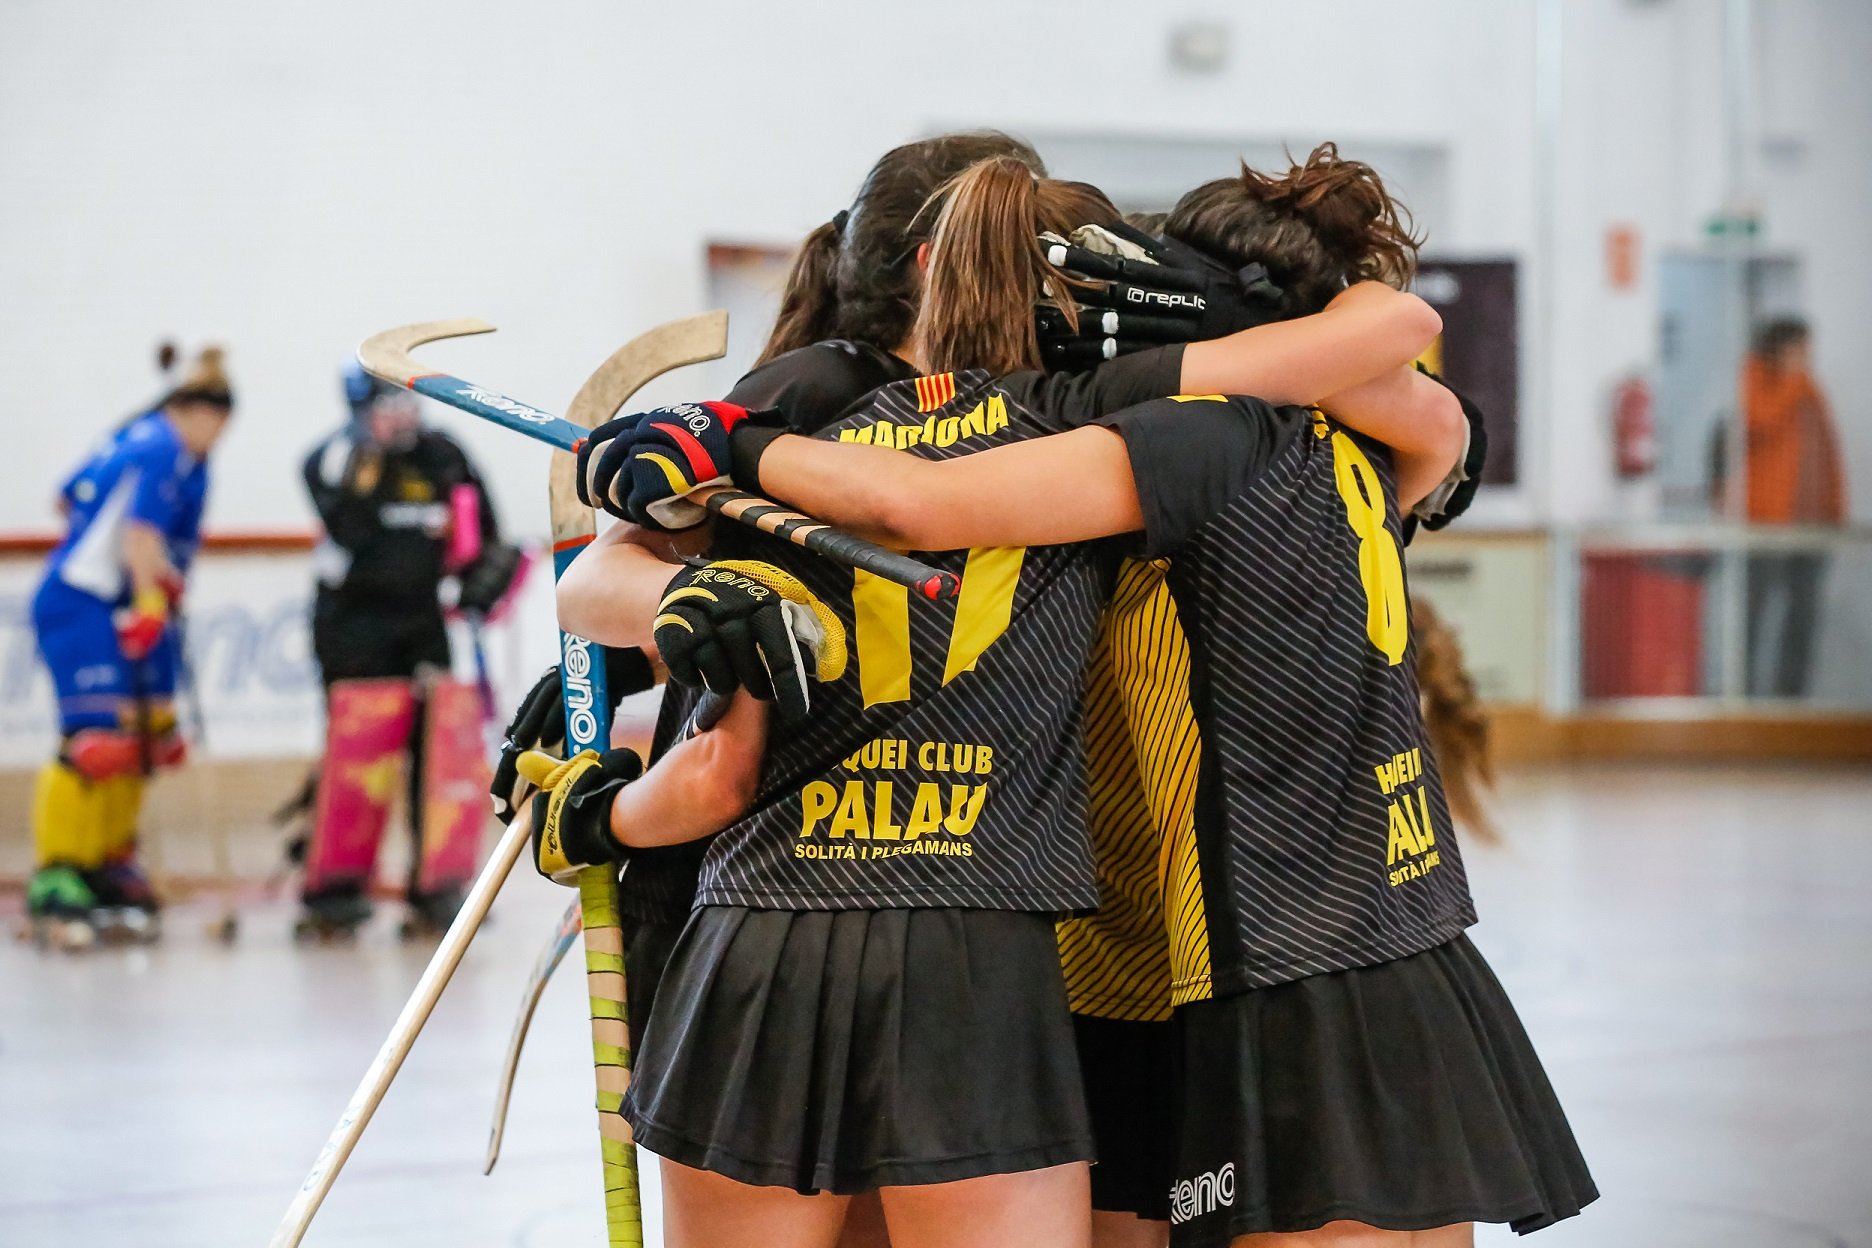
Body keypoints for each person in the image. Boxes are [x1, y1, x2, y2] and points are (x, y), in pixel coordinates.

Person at [581, 146, 1592, 1247]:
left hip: (1054, 964)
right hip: (1336, 949)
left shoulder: (857, 416)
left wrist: (728, 451)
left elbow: (828, 557)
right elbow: (1425, 399)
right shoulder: (1248, 426)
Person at [296, 361, 521, 932]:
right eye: (385, 406)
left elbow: (485, 527)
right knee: (361, 751)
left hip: (422, 619)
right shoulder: (341, 458)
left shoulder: (442, 455)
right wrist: (366, 459)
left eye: (407, 404)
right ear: (359, 411)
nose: (401, 417)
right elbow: (338, 515)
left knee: (439, 748)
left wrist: (485, 574)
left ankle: (437, 884)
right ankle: (336, 887)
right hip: (353, 622)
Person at [27, 344, 233, 947]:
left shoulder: (138, 440)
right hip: (81, 601)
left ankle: (108, 858)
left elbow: (68, 497)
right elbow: (140, 533)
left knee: (150, 734)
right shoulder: (164, 447)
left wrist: (150, 581)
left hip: (113, 599)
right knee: (95, 742)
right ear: (202, 413)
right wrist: (143, 595)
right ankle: (60, 870)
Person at [1740, 316, 1847, 697]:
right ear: (1778, 348)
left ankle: (1791, 701)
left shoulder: (1809, 390)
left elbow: (1827, 453)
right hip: (1767, 528)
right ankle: (1744, 701)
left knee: (1803, 619)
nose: (1807, 359)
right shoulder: (1755, 379)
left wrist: (1836, 511)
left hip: (1811, 527)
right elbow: (1759, 419)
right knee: (1754, 618)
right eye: (1800, 349)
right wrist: (1793, 380)